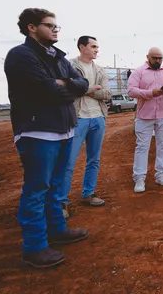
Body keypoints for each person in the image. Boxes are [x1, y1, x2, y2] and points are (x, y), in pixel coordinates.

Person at [4, 8, 90, 268]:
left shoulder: (59, 58)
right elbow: (48, 90)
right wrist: (64, 85)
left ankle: (57, 230)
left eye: (56, 26)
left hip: (64, 129)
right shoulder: (21, 55)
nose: (55, 29)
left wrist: (62, 84)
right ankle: (34, 247)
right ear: (31, 27)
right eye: (49, 25)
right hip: (37, 131)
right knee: (36, 189)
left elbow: (82, 84)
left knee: (54, 186)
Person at [57, 36, 112, 219]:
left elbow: (107, 94)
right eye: (93, 46)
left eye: (97, 46)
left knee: (94, 160)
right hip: (77, 118)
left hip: (98, 118)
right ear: (82, 47)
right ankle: (61, 201)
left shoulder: (100, 70)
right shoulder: (69, 65)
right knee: (68, 162)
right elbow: (66, 89)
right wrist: (90, 89)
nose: (97, 50)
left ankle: (88, 194)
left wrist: (84, 89)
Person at [127, 47, 163, 193]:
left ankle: (161, 175)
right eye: (155, 58)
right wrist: (150, 93)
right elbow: (131, 91)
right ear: (148, 57)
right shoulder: (138, 72)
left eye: (160, 58)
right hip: (144, 116)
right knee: (142, 147)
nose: (158, 61)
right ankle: (139, 178)